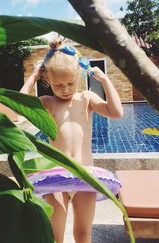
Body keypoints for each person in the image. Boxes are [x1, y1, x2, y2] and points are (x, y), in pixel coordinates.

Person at [20, 40, 123, 243]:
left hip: (85, 176)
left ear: (78, 78)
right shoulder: (47, 103)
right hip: (56, 178)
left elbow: (116, 112)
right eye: (58, 85)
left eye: (70, 83)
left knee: (83, 235)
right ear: (48, 80)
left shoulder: (86, 99)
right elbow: (19, 107)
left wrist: (104, 79)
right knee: (56, 236)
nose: (65, 89)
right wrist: (33, 76)